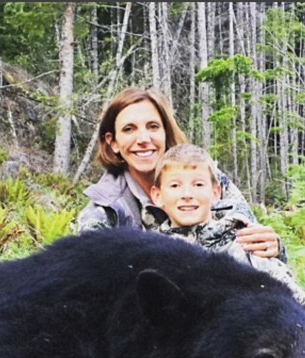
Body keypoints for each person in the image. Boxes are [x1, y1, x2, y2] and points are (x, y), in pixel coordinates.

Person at [77, 86, 284, 260]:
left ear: (165, 133)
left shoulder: (204, 176)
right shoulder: (106, 210)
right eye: (129, 129)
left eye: (153, 126)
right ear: (113, 142)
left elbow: (256, 246)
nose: (143, 138)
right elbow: (88, 278)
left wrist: (274, 247)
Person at [149, 144, 305, 303]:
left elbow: (298, 307)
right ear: (157, 196)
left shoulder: (244, 245)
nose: (187, 194)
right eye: (175, 185)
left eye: (198, 185)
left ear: (215, 193)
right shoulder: (153, 253)